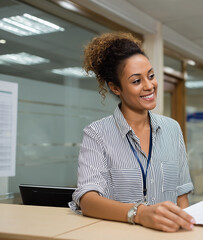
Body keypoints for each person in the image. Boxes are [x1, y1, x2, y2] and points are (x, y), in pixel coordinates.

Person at [69, 32, 195, 232]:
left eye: (151, 76)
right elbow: (88, 200)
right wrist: (140, 214)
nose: (149, 86)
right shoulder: (97, 134)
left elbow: (182, 197)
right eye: (136, 81)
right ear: (115, 88)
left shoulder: (172, 129)